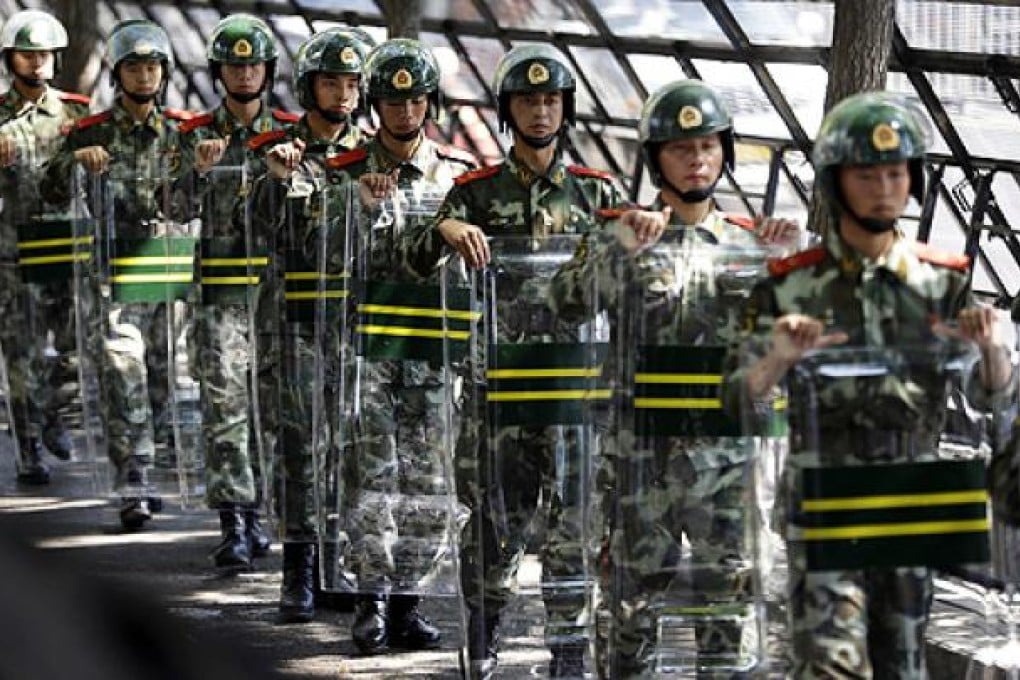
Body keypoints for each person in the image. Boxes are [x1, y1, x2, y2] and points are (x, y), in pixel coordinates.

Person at [725, 91, 1014, 678]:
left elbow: (992, 397)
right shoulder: (787, 288)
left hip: (910, 510)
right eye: (867, 174)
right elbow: (735, 399)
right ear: (836, 182)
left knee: (902, 668)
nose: (884, 187)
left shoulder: (944, 284)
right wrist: (777, 358)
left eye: (895, 173)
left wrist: (992, 351)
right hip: (827, 508)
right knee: (833, 665)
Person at [402, 43, 663, 679]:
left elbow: (630, 287)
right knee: (495, 523)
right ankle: (483, 637)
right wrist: (442, 231)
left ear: (565, 109)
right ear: (507, 110)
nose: (541, 112)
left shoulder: (596, 196)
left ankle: (567, 654)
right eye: (528, 100)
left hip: (575, 397)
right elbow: (412, 258)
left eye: (551, 100)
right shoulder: (472, 192)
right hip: (502, 393)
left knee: (573, 529)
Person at [549, 79, 798, 677]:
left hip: (726, 464)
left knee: (726, 617)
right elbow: (564, 302)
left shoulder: (746, 245)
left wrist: (794, 261)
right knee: (630, 614)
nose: (697, 161)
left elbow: (793, 337)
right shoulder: (624, 233)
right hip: (642, 461)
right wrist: (617, 248)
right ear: (655, 158)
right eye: (682, 149)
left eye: (709, 147)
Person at [41, 19, 193, 530]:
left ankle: (148, 459)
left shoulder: (180, 133)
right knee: (122, 370)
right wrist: (74, 164)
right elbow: (51, 189)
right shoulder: (91, 131)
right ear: (117, 74)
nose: (144, 77)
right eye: (134, 68)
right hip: (113, 270)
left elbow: (197, 198)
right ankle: (135, 476)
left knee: (158, 372)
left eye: (152, 67)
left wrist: (202, 167)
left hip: (164, 262)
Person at [175, 13, 295, 572]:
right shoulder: (194, 134)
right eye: (234, 64)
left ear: (267, 70)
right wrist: (196, 175)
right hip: (223, 292)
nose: (244, 73)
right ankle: (236, 521)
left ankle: (270, 511)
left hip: (278, 295)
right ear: (220, 71)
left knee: (272, 409)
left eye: (253, 64)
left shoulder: (292, 136)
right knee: (225, 406)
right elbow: (169, 208)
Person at [0, 9, 89, 485]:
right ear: (10, 59)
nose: (37, 64)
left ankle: (54, 409)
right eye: (27, 55)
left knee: (77, 349)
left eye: (44, 56)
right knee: (22, 350)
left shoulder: (77, 113)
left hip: (66, 247)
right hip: (14, 250)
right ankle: (29, 440)